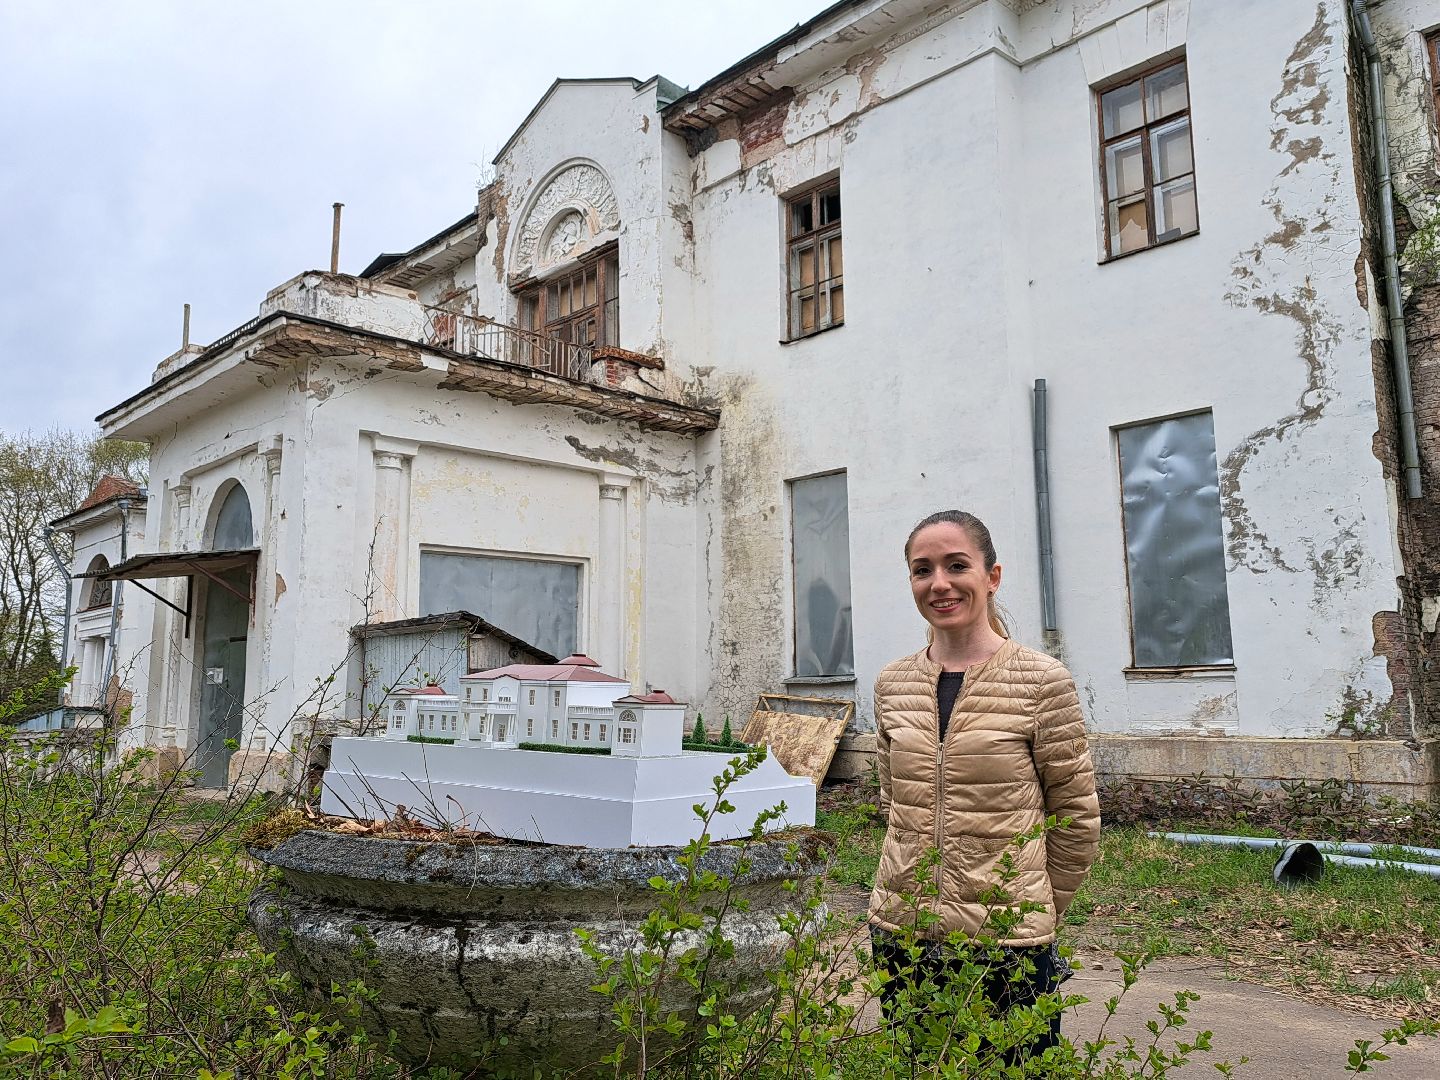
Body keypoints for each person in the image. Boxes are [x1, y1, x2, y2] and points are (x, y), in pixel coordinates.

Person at [867, 510, 1100, 1060]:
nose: (939, 584)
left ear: (992, 576)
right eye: (922, 570)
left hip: (1006, 942)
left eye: (957, 566)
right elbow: (894, 803)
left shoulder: (1041, 681)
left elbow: (1076, 817)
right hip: (903, 932)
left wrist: (1031, 907)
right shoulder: (892, 683)